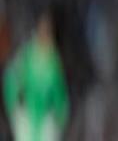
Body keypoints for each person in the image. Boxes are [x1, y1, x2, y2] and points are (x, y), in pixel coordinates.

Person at [3, 8, 69, 140]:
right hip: (27, 117)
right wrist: (15, 109)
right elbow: (11, 80)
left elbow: (59, 91)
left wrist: (60, 116)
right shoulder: (27, 56)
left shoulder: (54, 61)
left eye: (48, 31)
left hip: (45, 120)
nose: (45, 35)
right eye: (43, 30)